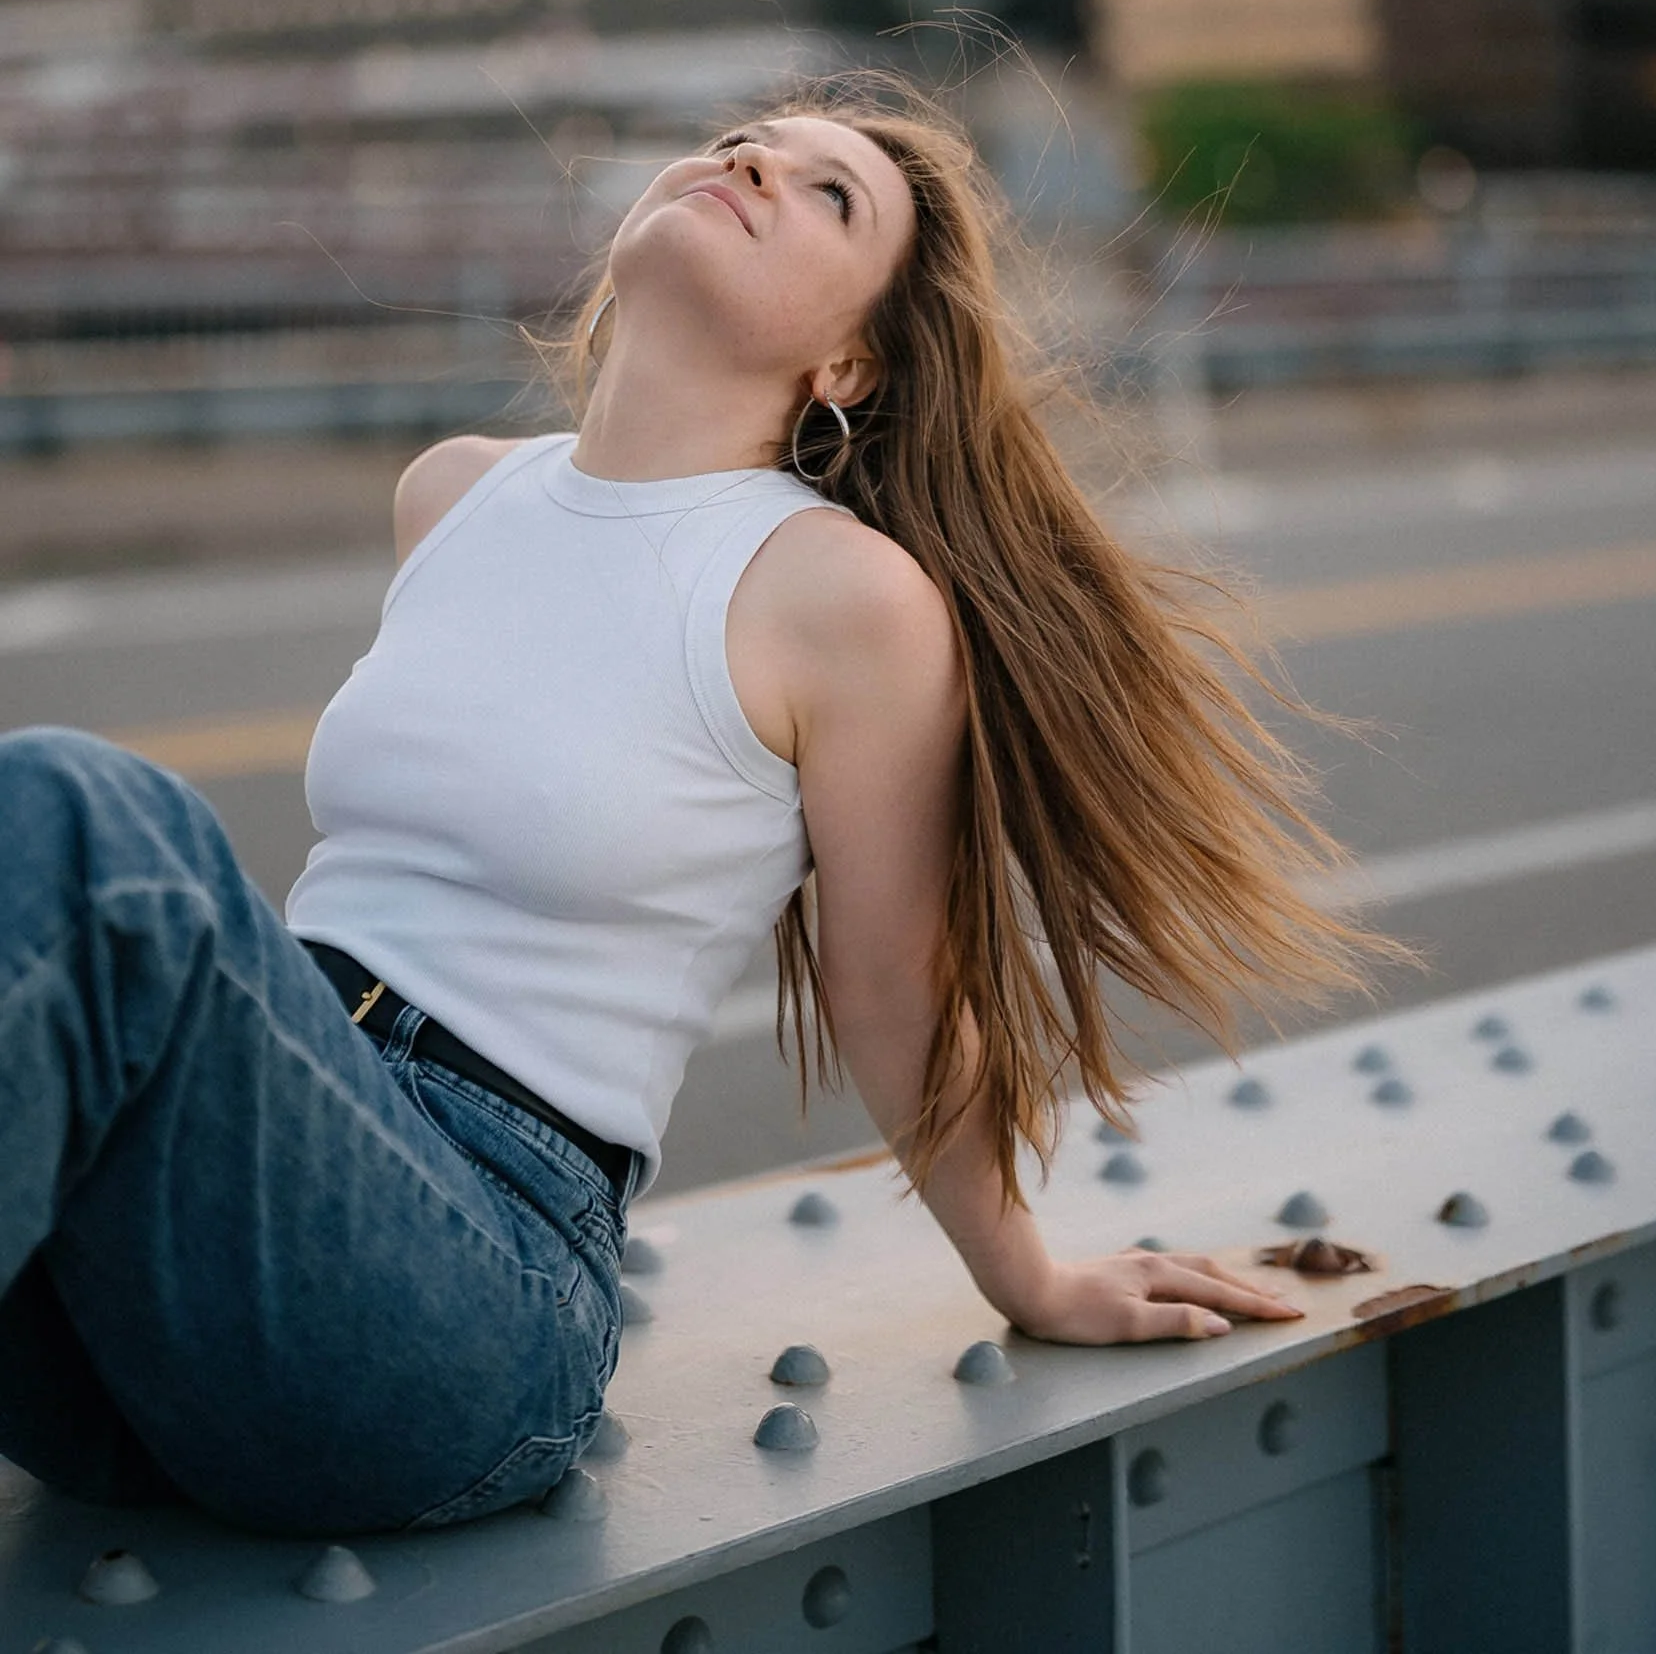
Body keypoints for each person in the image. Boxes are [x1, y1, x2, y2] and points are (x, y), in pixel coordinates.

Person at [0, 83, 1392, 1538]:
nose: (754, 163)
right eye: (750, 146)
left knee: (87, 826)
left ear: (849, 359)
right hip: (205, 1263)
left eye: (827, 192)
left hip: (474, 1284)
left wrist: (1030, 1277)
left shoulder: (839, 595)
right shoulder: (455, 495)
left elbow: (892, 989)